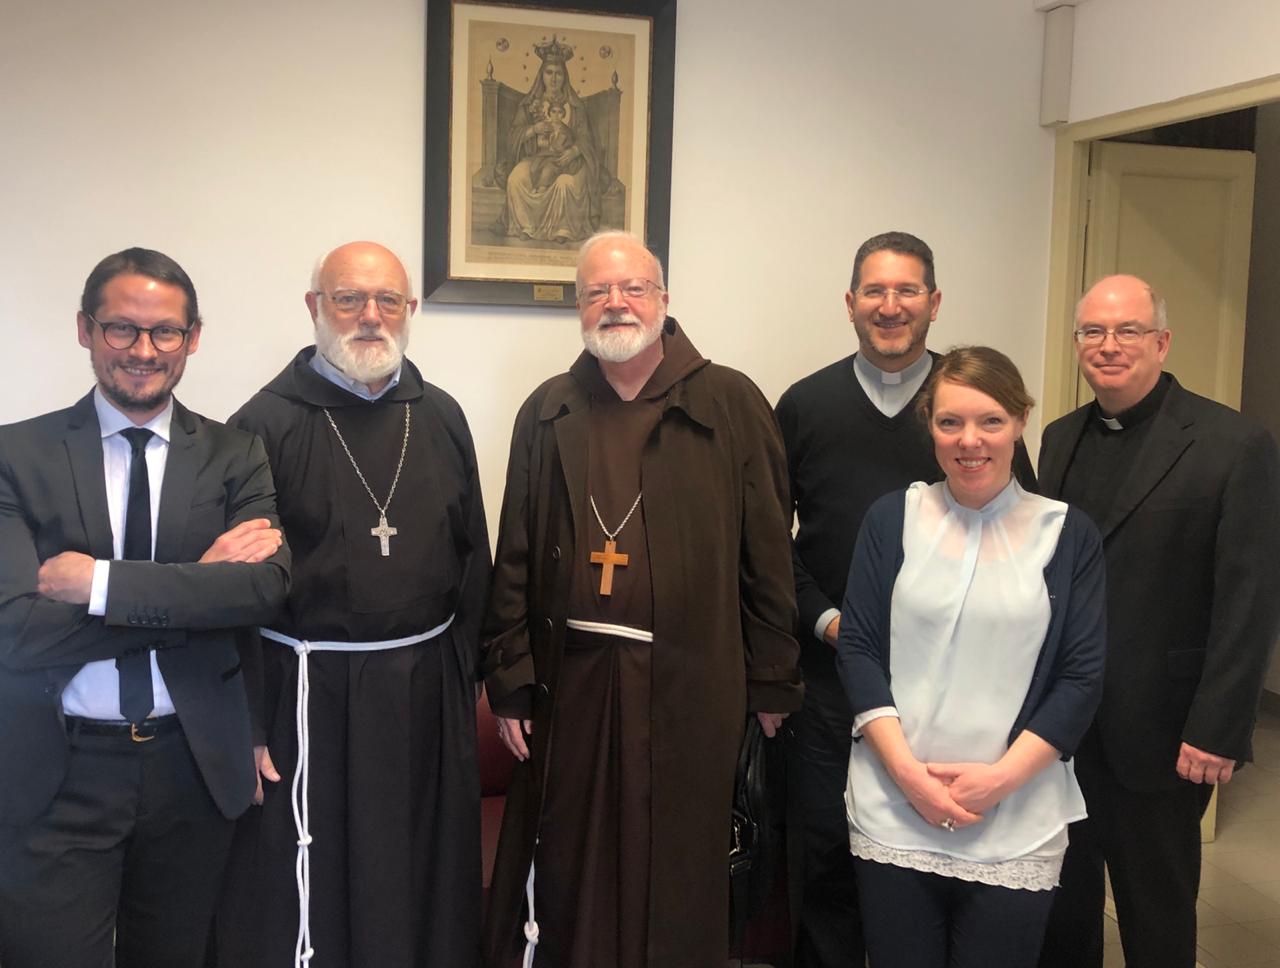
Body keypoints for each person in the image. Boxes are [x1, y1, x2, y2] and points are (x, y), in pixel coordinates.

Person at [481, 230, 803, 968]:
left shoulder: (730, 401)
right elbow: (515, 554)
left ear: (663, 299)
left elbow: (768, 553)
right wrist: (509, 677)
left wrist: (773, 678)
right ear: (578, 306)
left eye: (633, 288)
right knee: (573, 859)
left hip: (693, 684)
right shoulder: (549, 409)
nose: (616, 303)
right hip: (572, 684)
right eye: (597, 291)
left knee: (678, 867)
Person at [0, 247, 290, 968]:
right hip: (55, 772)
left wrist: (100, 584)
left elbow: (261, 590)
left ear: (193, 338)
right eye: (121, 328)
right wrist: (197, 589)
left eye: (165, 331)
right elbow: (15, 632)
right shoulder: (16, 455)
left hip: (191, 765)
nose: (143, 350)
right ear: (85, 329)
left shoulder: (236, 454)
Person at [214, 241, 492, 968]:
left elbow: (474, 561)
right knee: (313, 880)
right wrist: (247, 722)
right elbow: (234, 590)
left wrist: (464, 681)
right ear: (315, 307)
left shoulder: (441, 415)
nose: (370, 315)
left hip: (425, 692)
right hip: (307, 700)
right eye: (349, 299)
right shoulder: (260, 426)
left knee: (421, 870)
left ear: (410, 309)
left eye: (387, 300)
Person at [775, 231, 1034, 967]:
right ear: (851, 302)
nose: (891, 307)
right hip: (831, 685)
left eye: (908, 290)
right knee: (828, 856)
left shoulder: (969, 405)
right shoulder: (804, 405)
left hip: (950, 690)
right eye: (875, 291)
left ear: (935, 301)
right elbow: (766, 541)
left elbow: (1023, 537)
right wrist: (830, 621)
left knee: (929, 864)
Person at [1037, 275, 1280, 968]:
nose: (1108, 346)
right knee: (1064, 906)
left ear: (1162, 341)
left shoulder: (1233, 443)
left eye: (1128, 331)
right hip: (1064, 729)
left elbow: (1251, 599)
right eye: (1092, 331)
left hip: (1165, 732)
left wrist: (1218, 727)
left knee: (1156, 915)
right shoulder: (1058, 438)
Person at [836, 346, 1106, 968]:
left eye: (990, 421)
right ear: (929, 426)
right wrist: (909, 777)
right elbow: (860, 648)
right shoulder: (893, 518)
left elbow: (1080, 676)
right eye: (950, 422)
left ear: (1021, 421)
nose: (969, 441)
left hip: (1016, 809)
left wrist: (999, 780)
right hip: (894, 802)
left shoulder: (1067, 533)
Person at [499, 35, 603, 244]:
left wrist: (574, 151)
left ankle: (563, 229)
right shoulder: (529, 104)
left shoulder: (576, 106)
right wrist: (532, 130)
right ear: (541, 75)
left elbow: (587, 140)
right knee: (515, 179)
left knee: (565, 183)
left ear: (565, 77)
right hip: (537, 158)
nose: (553, 79)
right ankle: (526, 226)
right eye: (549, 73)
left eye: (558, 73)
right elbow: (513, 136)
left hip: (570, 161)